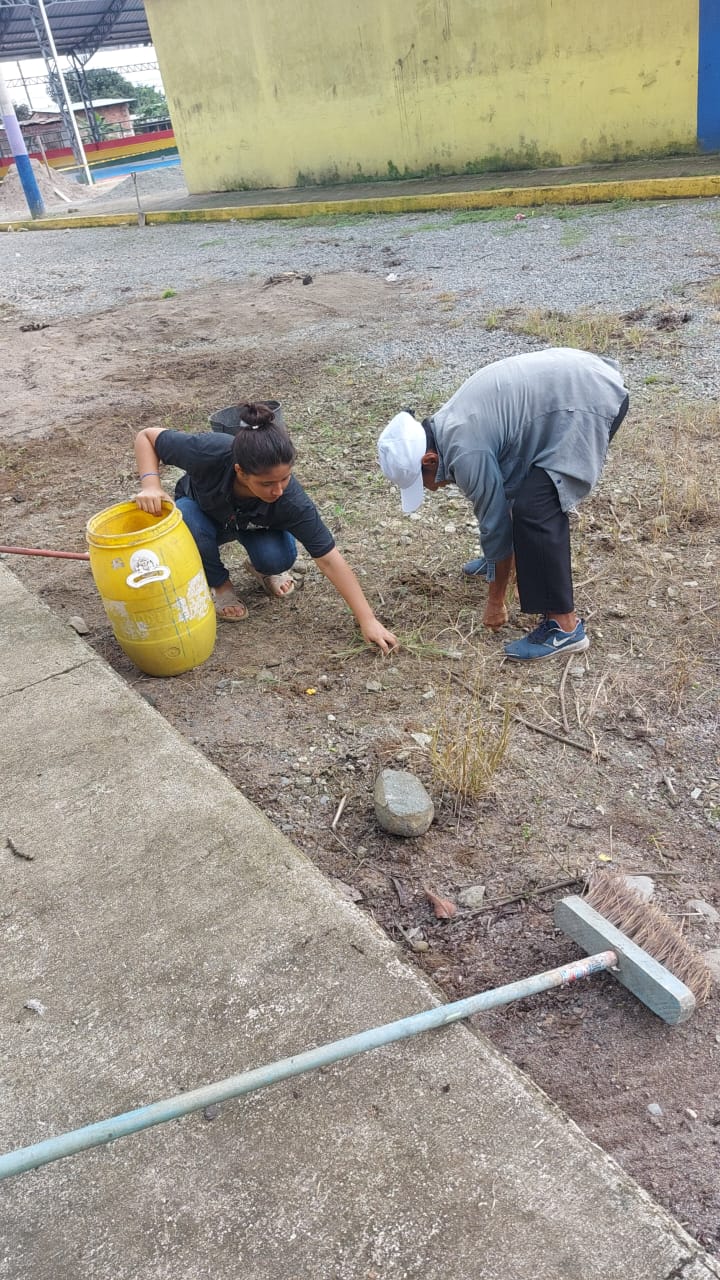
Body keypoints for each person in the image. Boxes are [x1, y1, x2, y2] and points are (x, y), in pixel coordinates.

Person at [377, 348, 629, 662]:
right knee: (522, 493)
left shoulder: (465, 452)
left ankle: (564, 627)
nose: (430, 489)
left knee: (536, 509)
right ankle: (504, 567)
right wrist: (500, 563)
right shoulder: (445, 427)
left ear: (429, 460)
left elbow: (495, 524)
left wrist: (495, 602)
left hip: (587, 401)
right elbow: (503, 486)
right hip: (576, 386)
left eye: (422, 482)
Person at [134, 402, 397, 654]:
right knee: (188, 521)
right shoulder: (209, 451)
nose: (278, 490)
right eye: (267, 483)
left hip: (254, 524)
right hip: (204, 513)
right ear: (240, 471)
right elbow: (147, 437)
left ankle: (262, 569)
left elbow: (328, 559)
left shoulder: (291, 501)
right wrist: (151, 485)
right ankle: (221, 586)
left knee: (278, 559)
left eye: (285, 478)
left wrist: (368, 619)